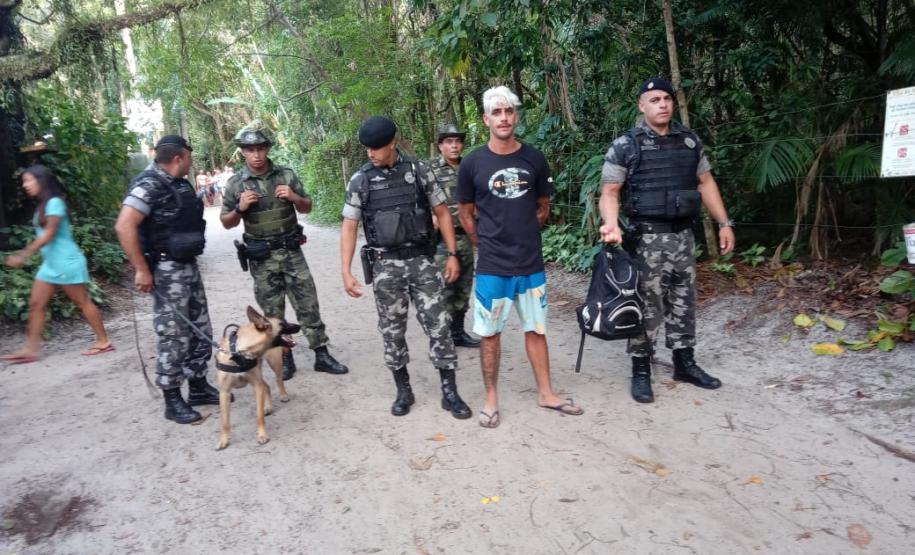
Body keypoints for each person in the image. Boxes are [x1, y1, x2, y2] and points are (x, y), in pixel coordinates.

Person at [597, 77, 736, 404]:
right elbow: (609, 192)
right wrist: (611, 224)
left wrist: (724, 223)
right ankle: (641, 368)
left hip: (683, 237)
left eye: (666, 99)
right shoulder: (626, 145)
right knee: (647, 304)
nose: (662, 104)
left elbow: (706, 183)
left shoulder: (688, 142)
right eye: (654, 99)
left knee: (683, 301)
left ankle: (684, 362)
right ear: (642, 106)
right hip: (646, 239)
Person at [456, 86, 584, 428]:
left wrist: (524, 230)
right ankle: (491, 399)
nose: (503, 118)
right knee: (489, 333)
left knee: (537, 328)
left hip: (530, 264)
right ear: (486, 119)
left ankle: (547, 393)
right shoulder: (472, 163)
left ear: (516, 115)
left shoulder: (534, 159)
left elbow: (544, 205)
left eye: (508, 111)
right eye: (496, 112)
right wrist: (481, 240)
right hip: (492, 267)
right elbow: (465, 212)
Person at [340, 116, 471, 419]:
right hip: (386, 266)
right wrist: (346, 271)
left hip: (422, 262)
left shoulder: (419, 171)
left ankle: (449, 392)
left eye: (377, 148)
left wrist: (451, 254)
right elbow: (349, 226)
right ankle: (404, 390)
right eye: (367, 149)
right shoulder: (361, 179)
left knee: (439, 326)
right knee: (392, 330)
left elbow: (441, 211)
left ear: (392, 144)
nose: (371, 154)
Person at [221, 122, 348, 379]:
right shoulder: (236, 184)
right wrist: (240, 208)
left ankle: (321, 353)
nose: (256, 154)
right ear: (242, 152)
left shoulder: (286, 176)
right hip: (262, 257)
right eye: (249, 149)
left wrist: (294, 197)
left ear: (267, 149)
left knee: (307, 303)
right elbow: (226, 222)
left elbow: (307, 207)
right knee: (271, 311)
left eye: (260, 148)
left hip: (291, 252)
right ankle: (285, 357)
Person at [115, 135, 220, 424]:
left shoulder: (178, 183)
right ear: (179, 157)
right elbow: (124, 226)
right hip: (165, 270)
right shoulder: (148, 184)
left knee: (201, 329)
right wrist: (141, 269)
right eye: (189, 155)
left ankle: (198, 386)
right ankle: (172, 399)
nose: (190, 160)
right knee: (174, 335)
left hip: (187, 265)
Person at [1, 165, 112, 363]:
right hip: (51, 264)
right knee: (36, 304)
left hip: (66, 262)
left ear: (41, 180)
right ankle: (31, 349)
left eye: (28, 180)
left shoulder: (54, 203)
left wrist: (24, 254)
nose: (25, 185)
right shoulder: (43, 204)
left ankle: (103, 341)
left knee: (82, 302)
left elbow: (50, 234)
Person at [427, 124, 480, 348]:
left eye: (457, 141)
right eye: (449, 141)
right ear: (440, 146)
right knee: (443, 287)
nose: (454, 145)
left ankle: (457, 332)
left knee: (464, 286)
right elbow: (420, 199)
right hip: (441, 240)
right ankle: (442, 336)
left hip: (467, 236)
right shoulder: (429, 170)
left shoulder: (470, 168)